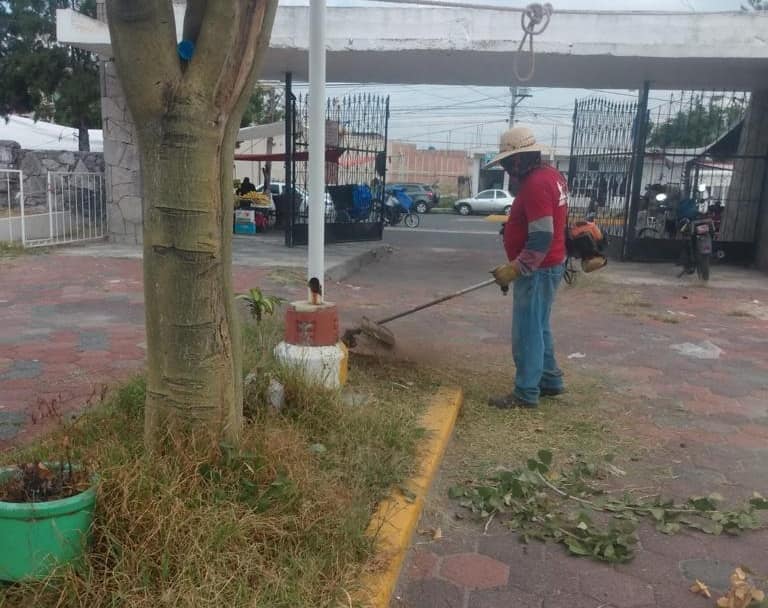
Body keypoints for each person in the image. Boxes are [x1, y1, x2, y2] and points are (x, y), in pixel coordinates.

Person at [486, 126, 569, 409]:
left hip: (538, 269)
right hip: (549, 265)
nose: (508, 170)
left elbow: (542, 235)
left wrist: (518, 267)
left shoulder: (535, 184)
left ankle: (525, 392)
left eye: (509, 163)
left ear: (521, 160)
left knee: (527, 331)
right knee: (540, 326)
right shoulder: (552, 176)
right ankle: (550, 380)